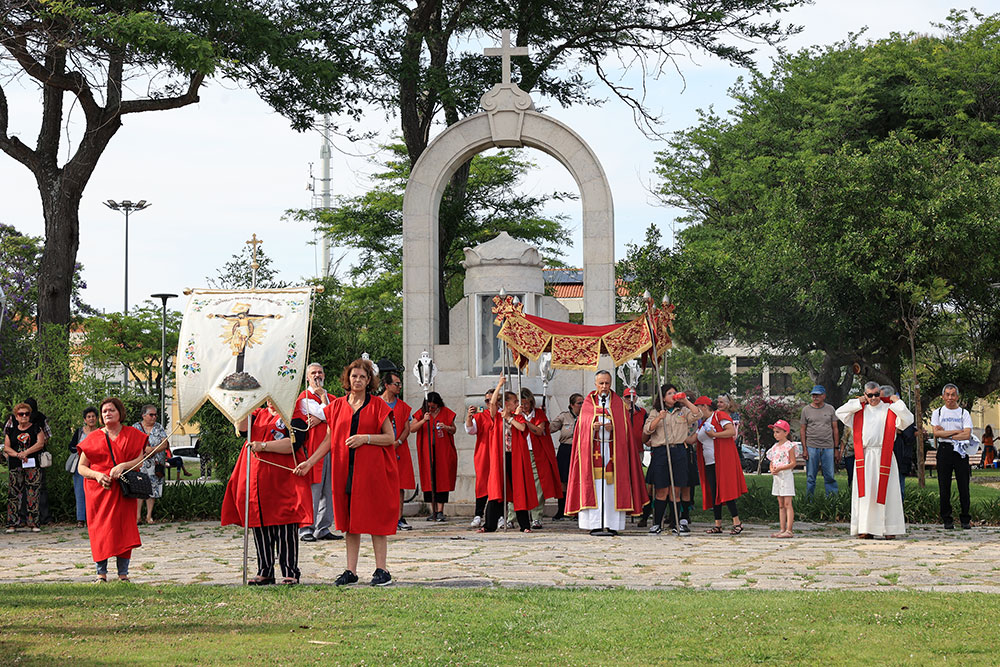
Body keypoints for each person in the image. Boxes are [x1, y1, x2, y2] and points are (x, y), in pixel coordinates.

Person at [294, 358, 398, 587]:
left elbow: (390, 438)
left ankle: (382, 570)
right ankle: (351, 570)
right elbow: (329, 439)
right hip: (345, 470)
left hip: (372, 472)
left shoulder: (378, 405)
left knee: (375, 520)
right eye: (354, 376)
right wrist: (310, 462)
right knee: (350, 521)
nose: (358, 380)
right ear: (347, 379)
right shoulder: (337, 406)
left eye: (362, 376)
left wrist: (366, 439)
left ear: (369, 380)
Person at [221, 399, 311, 585]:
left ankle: (290, 571)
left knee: (286, 526)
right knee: (260, 524)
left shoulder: (295, 414)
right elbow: (242, 429)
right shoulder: (258, 414)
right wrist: (244, 403)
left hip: (285, 480)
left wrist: (263, 446)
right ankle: (265, 570)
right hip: (257, 480)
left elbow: (293, 444)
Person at [77, 398, 160, 582]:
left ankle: (123, 575)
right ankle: (101, 574)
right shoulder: (93, 438)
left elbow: (139, 460)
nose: (107, 413)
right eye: (104, 411)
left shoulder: (132, 434)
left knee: (123, 530)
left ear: (119, 413)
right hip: (99, 491)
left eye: (111, 410)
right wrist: (98, 475)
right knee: (100, 531)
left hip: (124, 490)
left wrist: (122, 466)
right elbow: (81, 468)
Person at [565, 370, 648, 535]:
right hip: (593, 452)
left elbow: (626, 431)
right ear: (595, 384)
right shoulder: (589, 403)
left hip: (614, 453)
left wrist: (614, 428)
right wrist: (591, 428)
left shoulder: (618, 403)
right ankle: (594, 524)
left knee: (611, 490)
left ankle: (612, 524)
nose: (604, 387)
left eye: (607, 383)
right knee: (594, 487)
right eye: (601, 383)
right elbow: (581, 429)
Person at [836, 382, 913, 539]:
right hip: (865, 456)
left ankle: (889, 528)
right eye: (869, 395)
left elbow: (908, 419)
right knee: (866, 494)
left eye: (877, 394)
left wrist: (896, 401)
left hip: (884, 455)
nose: (873, 398)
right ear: (865, 395)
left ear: (881, 393)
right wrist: (858, 402)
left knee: (888, 492)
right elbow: (840, 412)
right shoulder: (859, 411)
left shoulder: (889, 409)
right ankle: (865, 527)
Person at [479, 377, 535, 533]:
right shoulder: (496, 416)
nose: (517, 404)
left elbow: (522, 428)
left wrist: (509, 418)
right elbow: (493, 402)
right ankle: (489, 524)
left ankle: (524, 525)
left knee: (519, 488)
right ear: (506, 403)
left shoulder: (516, 417)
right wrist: (499, 385)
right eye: (514, 401)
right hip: (500, 456)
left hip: (514, 457)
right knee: (497, 489)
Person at [292, 362, 340, 542]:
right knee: (313, 488)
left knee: (329, 489)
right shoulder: (304, 398)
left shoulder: (332, 397)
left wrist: (321, 415)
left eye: (320, 372)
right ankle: (306, 527)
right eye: (313, 373)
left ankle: (323, 527)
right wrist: (324, 414)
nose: (317, 375)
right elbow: (328, 414)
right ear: (307, 377)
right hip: (312, 449)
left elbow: (335, 417)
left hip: (332, 448)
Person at [642, 384, 698, 534]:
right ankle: (657, 523)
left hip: (679, 450)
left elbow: (697, 414)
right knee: (662, 489)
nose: (673, 395)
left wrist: (686, 401)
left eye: (675, 392)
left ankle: (675, 523)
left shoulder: (683, 411)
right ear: (663, 397)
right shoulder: (655, 412)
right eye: (669, 393)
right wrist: (659, 418)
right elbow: (647, 430)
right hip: (661, 451)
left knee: (676, 489)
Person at [696, 394, 748, 535]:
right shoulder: (703, 422)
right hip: (709, 462)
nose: (696, 411)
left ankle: (737, 522)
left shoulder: (719, 416)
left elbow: (731, 432)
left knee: (726, 491)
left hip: (722, 460)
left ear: (704, 407)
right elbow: (693, 439)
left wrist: (715, 434)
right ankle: (718, 524)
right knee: (714, 493)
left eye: (698, 407)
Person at [515, 388, 563, 529]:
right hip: (520, 452)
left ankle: (536, 517)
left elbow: (539, 431)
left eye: (526, 404)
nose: (524, 407)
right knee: (518, 485)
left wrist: (525, 422)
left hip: (536, 452)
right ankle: (512, 517)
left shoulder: (539, 413)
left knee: (538, 486)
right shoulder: (515, 414)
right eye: (521, 404)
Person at [931, 383, 974, 530]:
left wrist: (946, 433)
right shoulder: (937, 413)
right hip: (944, 451)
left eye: (953, 394)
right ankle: (947, 519)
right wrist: (956, 433)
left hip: (960, 452)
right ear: (943, 396)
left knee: (964, 486)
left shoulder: (964, 413)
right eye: (947, 395)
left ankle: (965, 519)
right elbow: (936, 434)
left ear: (957, 396)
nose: (950, 398)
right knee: (944, 486)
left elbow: (967, 434)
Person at [412, 392, 457, 522]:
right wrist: (423, 420)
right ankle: (433, 511)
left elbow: (454, 430)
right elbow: (412, 428)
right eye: (429, 406)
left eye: (433, 407)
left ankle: (441, 510)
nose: (431, 409)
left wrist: (446, 427)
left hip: (443, 451)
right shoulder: (422, 413)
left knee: (442, 478)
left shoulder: (446, 412)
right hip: (427, 452)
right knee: (429, 478)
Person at [3, 402, 47, 533]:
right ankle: (12, 523)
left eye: (26, 414)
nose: (24, 416)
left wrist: (26, 453)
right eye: (20, 414)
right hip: (16, 465)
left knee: (33, 493)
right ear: (16, 416)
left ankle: (33, 523)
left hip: (32, 464)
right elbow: (6, 447)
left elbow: (40, 443)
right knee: (13, 494)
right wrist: (18, 455)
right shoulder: (11, 430)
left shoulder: (36, 428)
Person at [382, 370, 416, 531]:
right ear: (386, 385)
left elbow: (407, 428)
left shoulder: (403, 406)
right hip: (381, 449)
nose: (399, 387)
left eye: (400, 384)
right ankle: (383, 516)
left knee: (399, 484)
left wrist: (398, 442)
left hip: (399, 449)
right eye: (396, 384)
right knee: (382, 484)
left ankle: (399, 517)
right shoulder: (377, 403)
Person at [799, 385, 839, 497]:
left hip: (828, 446)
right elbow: (802, 430)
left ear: (824, 396)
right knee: (811, 476)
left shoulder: (830, 409)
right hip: (811, 446)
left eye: (818, 395)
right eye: (813, 395)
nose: (815, 397)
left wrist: (836, 448)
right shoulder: (806, 410)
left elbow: (835, 429)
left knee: (830, 475)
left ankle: (832, 500)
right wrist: (804, 449)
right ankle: (809, 500)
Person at [548, 393, 583, 520]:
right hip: (566, 450)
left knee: (579, 480)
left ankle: (577, 510)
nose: (582, 405)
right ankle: (561, 510)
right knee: (563, 480)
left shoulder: (587, 416)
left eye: (583, 402)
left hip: (580, 450)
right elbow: (550, 428)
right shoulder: (564, 416)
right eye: (579, 403)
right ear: (572, 405)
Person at [133, 404, 168, 525]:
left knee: (153, 489)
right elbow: (131, 444)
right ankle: (137, 517)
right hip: (140, 463)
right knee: (139, 488)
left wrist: (152, 450)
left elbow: (165, 444)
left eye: (155, 415)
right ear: (143, 415)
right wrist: (144, 450)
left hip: (155, 463)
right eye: (151, 415)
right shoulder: (136, 427)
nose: (154, 417)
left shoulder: (159, 427)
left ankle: (149, 516)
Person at [465, 387, 495, 528]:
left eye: (491, 400)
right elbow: (471, 430)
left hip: (498, 452)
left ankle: (499, 515)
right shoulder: (481, 415)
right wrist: (469, 417)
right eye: (487, 400)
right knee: (482, 483)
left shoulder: (504, 414)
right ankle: (478, 514)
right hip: (484, 452)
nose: (489, 403)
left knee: (498, 483)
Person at [881, 384, 915, 501]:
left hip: (899, 454)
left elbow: (909, 433)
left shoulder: (900, 410)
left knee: (898, 488)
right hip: (881, 455)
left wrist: (898, 430)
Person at [68, 407, 99, 527]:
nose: (91, 419)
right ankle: (80, 519)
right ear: (85, 419)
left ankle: (94, 518)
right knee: (80, 492)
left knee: (95, 493)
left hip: (96, 466)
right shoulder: (80, 431)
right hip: (80, 465)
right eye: (89, 417)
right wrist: (82, 449)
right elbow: (71, 446)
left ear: (97, 418)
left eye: (93, 416)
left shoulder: (101, 431)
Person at [766, 420, 797, 538]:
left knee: (788, 503)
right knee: (781, 504)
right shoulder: (774, 447)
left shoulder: (790, 446)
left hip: (786, 476)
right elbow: (772, 461)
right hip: (777, 477)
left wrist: (781, 468)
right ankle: (782, 528)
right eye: (774, 432)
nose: (775, 434)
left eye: (778, 432)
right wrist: (772, 468)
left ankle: (789, 530)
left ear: (786, 432)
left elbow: (793, 463)